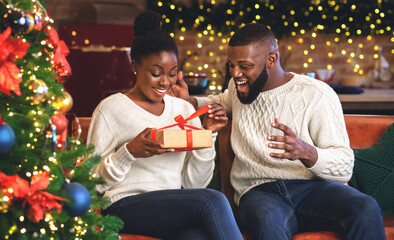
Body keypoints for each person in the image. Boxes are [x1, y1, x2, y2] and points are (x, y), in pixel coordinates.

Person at [170, 23, 386, 240]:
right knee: (267, 219)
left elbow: (345, 165)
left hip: (313, 189)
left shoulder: (317, 94)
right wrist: (188, 101)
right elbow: (220, 101)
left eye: (244, 66)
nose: (235, 74)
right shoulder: (238, 89)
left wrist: (306, 152)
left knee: (365, 207)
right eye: (231, 65)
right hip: (259, 191)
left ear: (271, 60)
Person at [87, 12, 243, 240]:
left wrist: (206, 136)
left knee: (196, 237)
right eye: (156, 73)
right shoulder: (111, 109)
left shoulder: (183, 110)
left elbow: (193, 186)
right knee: (214, 199)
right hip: (123, 207)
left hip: (173, 205)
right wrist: (129, 152)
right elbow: (91, 182)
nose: (165, 82)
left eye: (171, 74)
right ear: (135, 67)